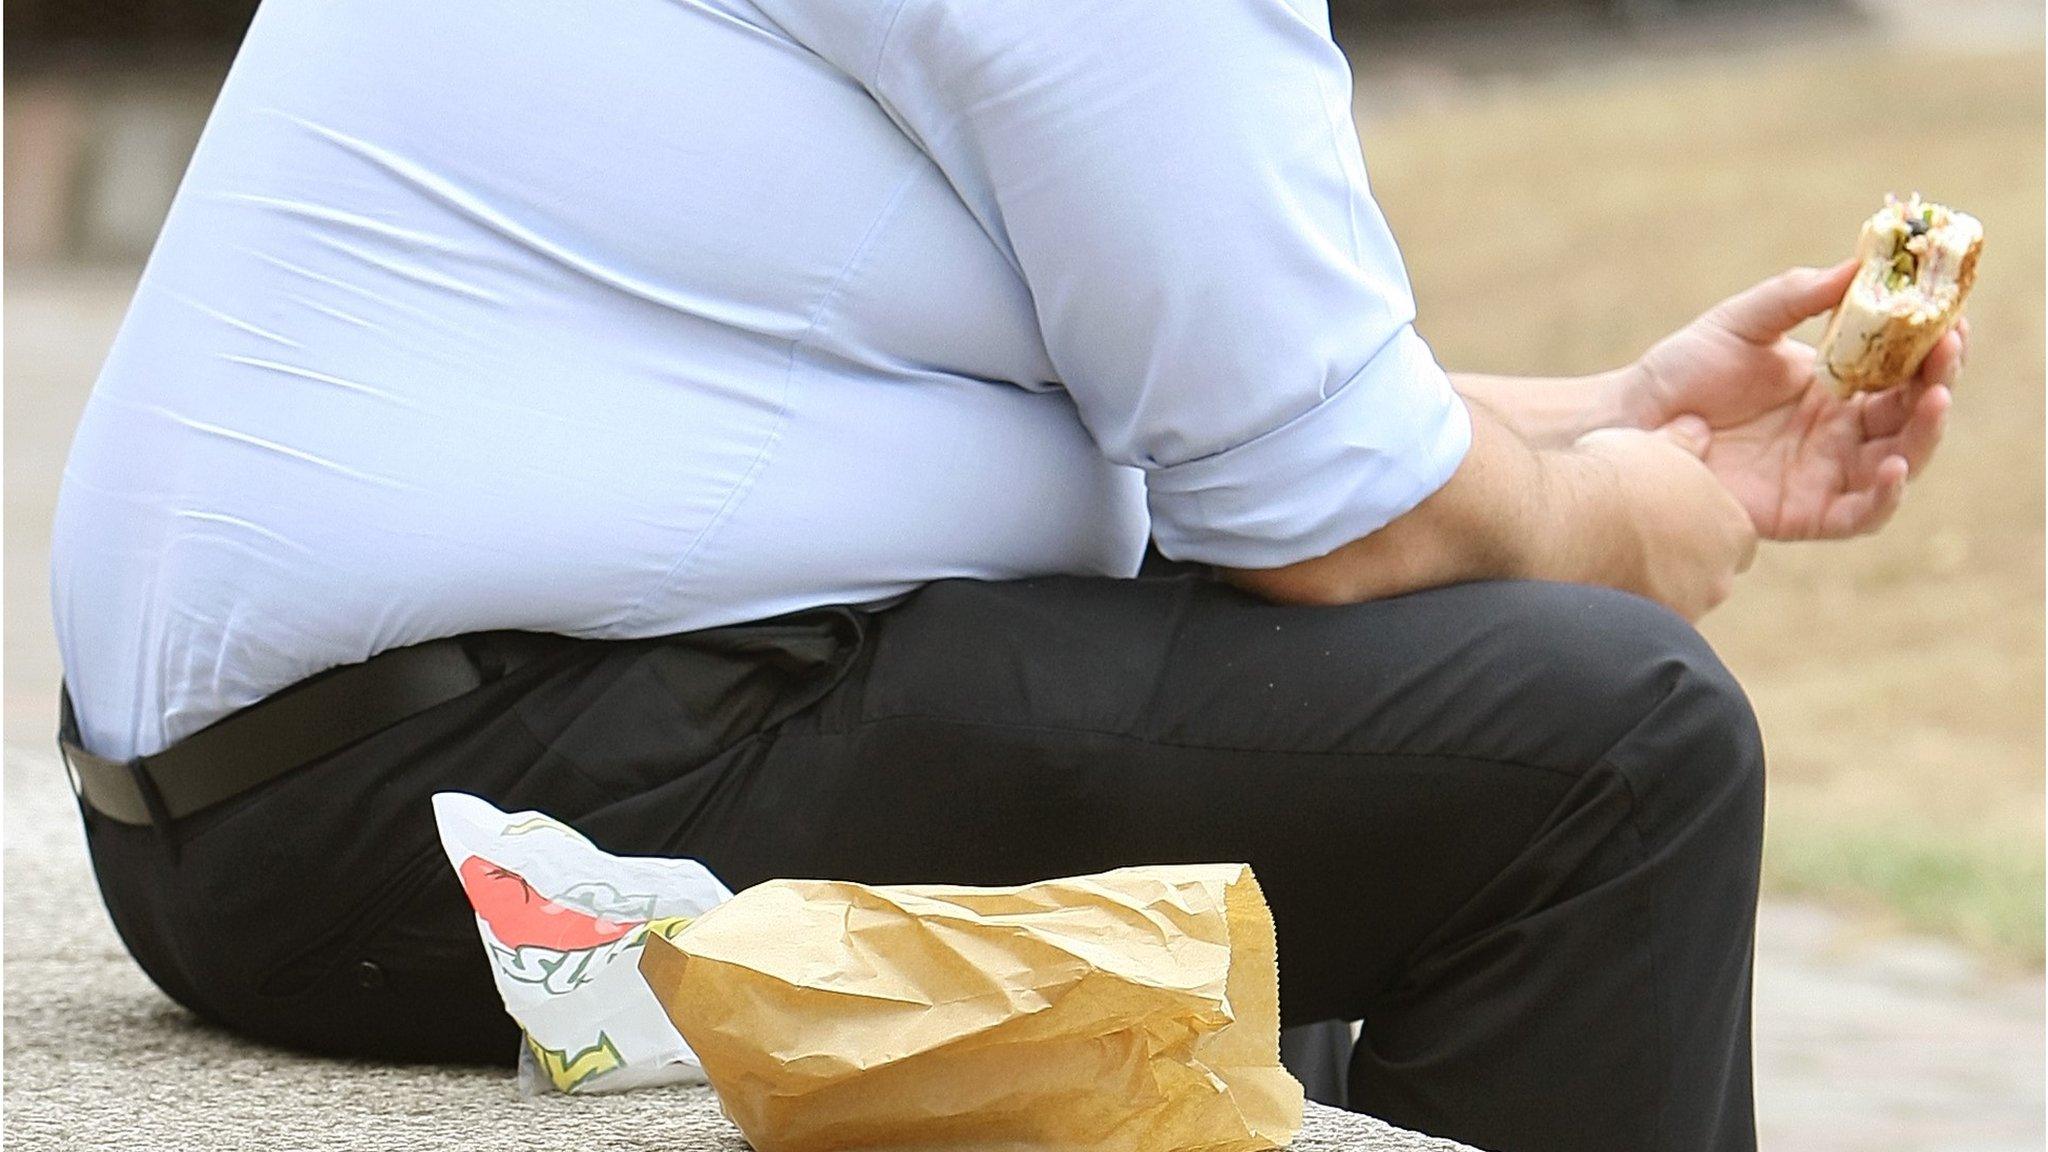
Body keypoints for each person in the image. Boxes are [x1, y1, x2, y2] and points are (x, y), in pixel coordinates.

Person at [50, 3, 1960, 1151]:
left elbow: (1225, 424)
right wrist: (1625, 526)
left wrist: (1608, 420)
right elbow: (1339, 521)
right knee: (1607, 746)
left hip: (276, 798)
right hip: (471, 817)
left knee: (1305, 734)